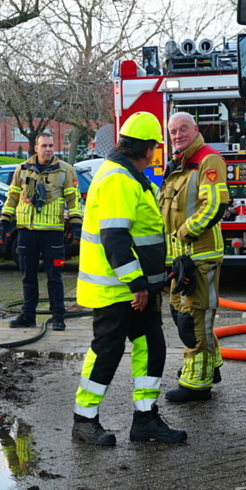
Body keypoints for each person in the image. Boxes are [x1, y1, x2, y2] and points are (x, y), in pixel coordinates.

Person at [72, 113, 186, 445]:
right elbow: (116, 240)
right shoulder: (119, 180)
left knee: (151, 347)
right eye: (154, 148)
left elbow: (146, 234)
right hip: (118, 290)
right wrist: (137, 285)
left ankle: (145, 419)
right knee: (106, 353)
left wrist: (167, 267)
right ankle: (83, 420)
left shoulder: (130, 177)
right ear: (149, 149)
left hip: (136, 290)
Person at [159, 111, 231, 402]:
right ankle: (208, 365)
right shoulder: (179, 163)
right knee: (181, 314)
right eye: (173, 131)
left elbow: (214, 205)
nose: (178, 135)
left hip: (201, 255)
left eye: (183, 129)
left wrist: (184, 233)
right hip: (181, 259)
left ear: (195, 129)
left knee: (194, 320)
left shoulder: (207, 160)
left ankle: (196, 385)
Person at [0, 132, 83, 331]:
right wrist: (4, 221)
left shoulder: (65, 170)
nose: (48, 149)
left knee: (55, 276)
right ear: (35, 148)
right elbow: (12, 197)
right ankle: (28, 316)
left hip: (53, 232)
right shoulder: (22, 169)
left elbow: (73, 200)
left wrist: (77, 225)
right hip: (26, 231)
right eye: (44, 145)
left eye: (51, 145)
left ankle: (58, 317)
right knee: (28, 276)